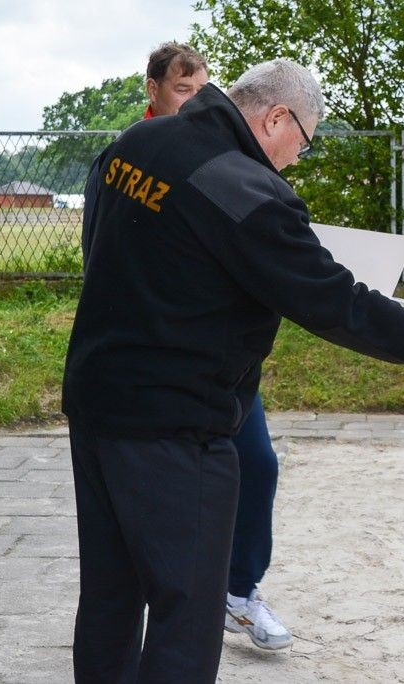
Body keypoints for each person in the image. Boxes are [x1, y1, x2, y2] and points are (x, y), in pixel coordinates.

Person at [64, 58, 404, 683]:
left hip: (96, 405)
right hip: (178, 427)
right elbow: (337, 304)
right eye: (302, 144)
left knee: (110, 598)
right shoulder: (246, 188)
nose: (297, 160)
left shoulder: (136, 143)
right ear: (275, 116)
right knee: (187, 613)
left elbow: (102, 248)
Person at [141, 42, 294, 652]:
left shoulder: (227, 159)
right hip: (162, 370)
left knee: (257, 465)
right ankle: (172, 600)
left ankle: (239, 589)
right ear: (151, 90)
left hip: (226, 368)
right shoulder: (136, 153)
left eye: (202, 90)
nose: (194, 101)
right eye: (183, 90)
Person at [143, 42, 209, 120]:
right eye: (183, 90)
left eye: (202, 92)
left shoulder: (219, 130)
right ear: (152, 90)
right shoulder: (136, 132)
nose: (196, 101)